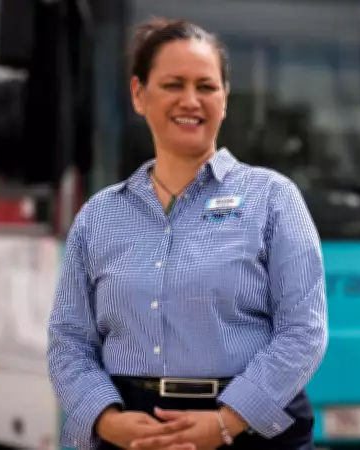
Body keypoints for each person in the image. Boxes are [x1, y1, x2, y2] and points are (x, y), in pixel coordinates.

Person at [47, 17, 328, 450]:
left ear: (225, 98)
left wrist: (227, 420)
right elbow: (68, 340)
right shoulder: (97, 217)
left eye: (206, 86)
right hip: (130, 433)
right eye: (173, 85)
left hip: (251, 432)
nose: (191, 100)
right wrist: (106, 420)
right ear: (139, 95)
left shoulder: (273, 199)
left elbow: (303, 330)